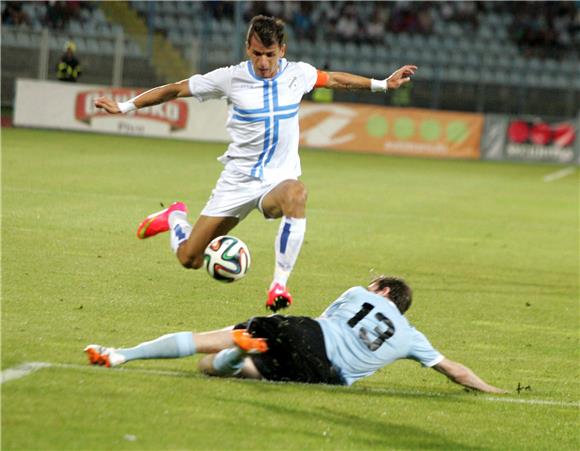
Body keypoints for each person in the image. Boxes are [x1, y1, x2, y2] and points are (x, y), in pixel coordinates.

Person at [94, 15, 417, 312]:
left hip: (278, 182)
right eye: (257, 54)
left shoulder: (298, 74)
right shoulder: (229, 79)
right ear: (247, 48)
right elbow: (176, 89)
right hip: (237, 181)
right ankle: (175, 217)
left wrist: (382, 84)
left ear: (282, 50)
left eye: (270, 54)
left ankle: (278, 285)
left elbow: (335, 80)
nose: (263, 62)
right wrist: (124, 107)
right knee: (189, 258)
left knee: (297, 194)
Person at [85, 275, 506, 393]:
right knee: (213, 370)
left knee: (213, 342)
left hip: (310, 337)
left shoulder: (360, 293)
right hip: (327, 379)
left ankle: (123, 354)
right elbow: (456, 372)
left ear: (382, 291)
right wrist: (491, 390)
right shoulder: (414, 337)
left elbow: (321, 321)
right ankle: (242, 353)